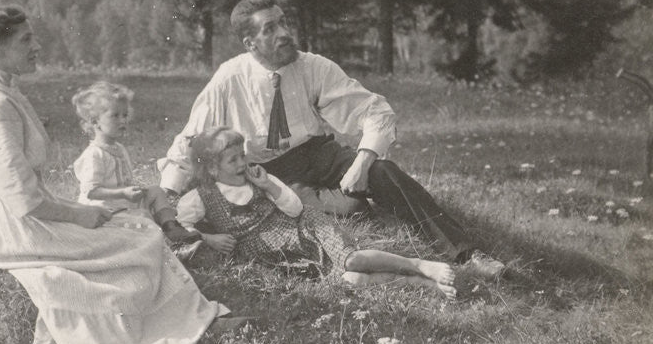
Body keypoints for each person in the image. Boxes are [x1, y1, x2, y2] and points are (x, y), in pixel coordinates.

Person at [0, 4, 235, 344]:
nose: (37, 46)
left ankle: (182, 318)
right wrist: (79, 214)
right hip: (8, 224)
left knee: (135, 229)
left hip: (7, 211)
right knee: (138, 240)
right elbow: (23, 200)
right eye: (26, 40)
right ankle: (163, 329)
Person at [159, 0, 504, 277]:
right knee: (335, 209)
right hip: (268, 170)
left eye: (284, 22)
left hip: (318, 153)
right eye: (270, 29)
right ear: (250, 43)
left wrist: (363, 164)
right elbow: (192, 138)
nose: (284, 33)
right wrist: (167, 194)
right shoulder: (229, 78)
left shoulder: (313, 66)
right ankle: (354, 208)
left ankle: (466, 255)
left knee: (383, 172)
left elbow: (375, 111)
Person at [177, 127, 457, 298]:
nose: (242, 164)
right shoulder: (200, 197)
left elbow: (295, 208)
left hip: (305, 229)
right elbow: (177, 229)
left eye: (242, 156)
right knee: (352, 281)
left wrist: (268, 186)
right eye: (233, 160)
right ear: (212, 168)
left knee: (353, 260)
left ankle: (418, 265)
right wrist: (207, 237)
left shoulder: (259, 178)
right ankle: (420, 283)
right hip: (278, 255)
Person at [71, 81, 201, 245]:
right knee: (144, 221)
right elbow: (91, 191)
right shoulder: (94, 155)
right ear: (95, 122)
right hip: (105, 211)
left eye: (125, 115)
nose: (122, 121)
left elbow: (122, 181)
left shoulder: (118, 148)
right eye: (115, 116)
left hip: (122, 204)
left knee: (156, 191)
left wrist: (133, 190)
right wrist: (123, 193)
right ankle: (165, 246)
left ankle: (172, 228)